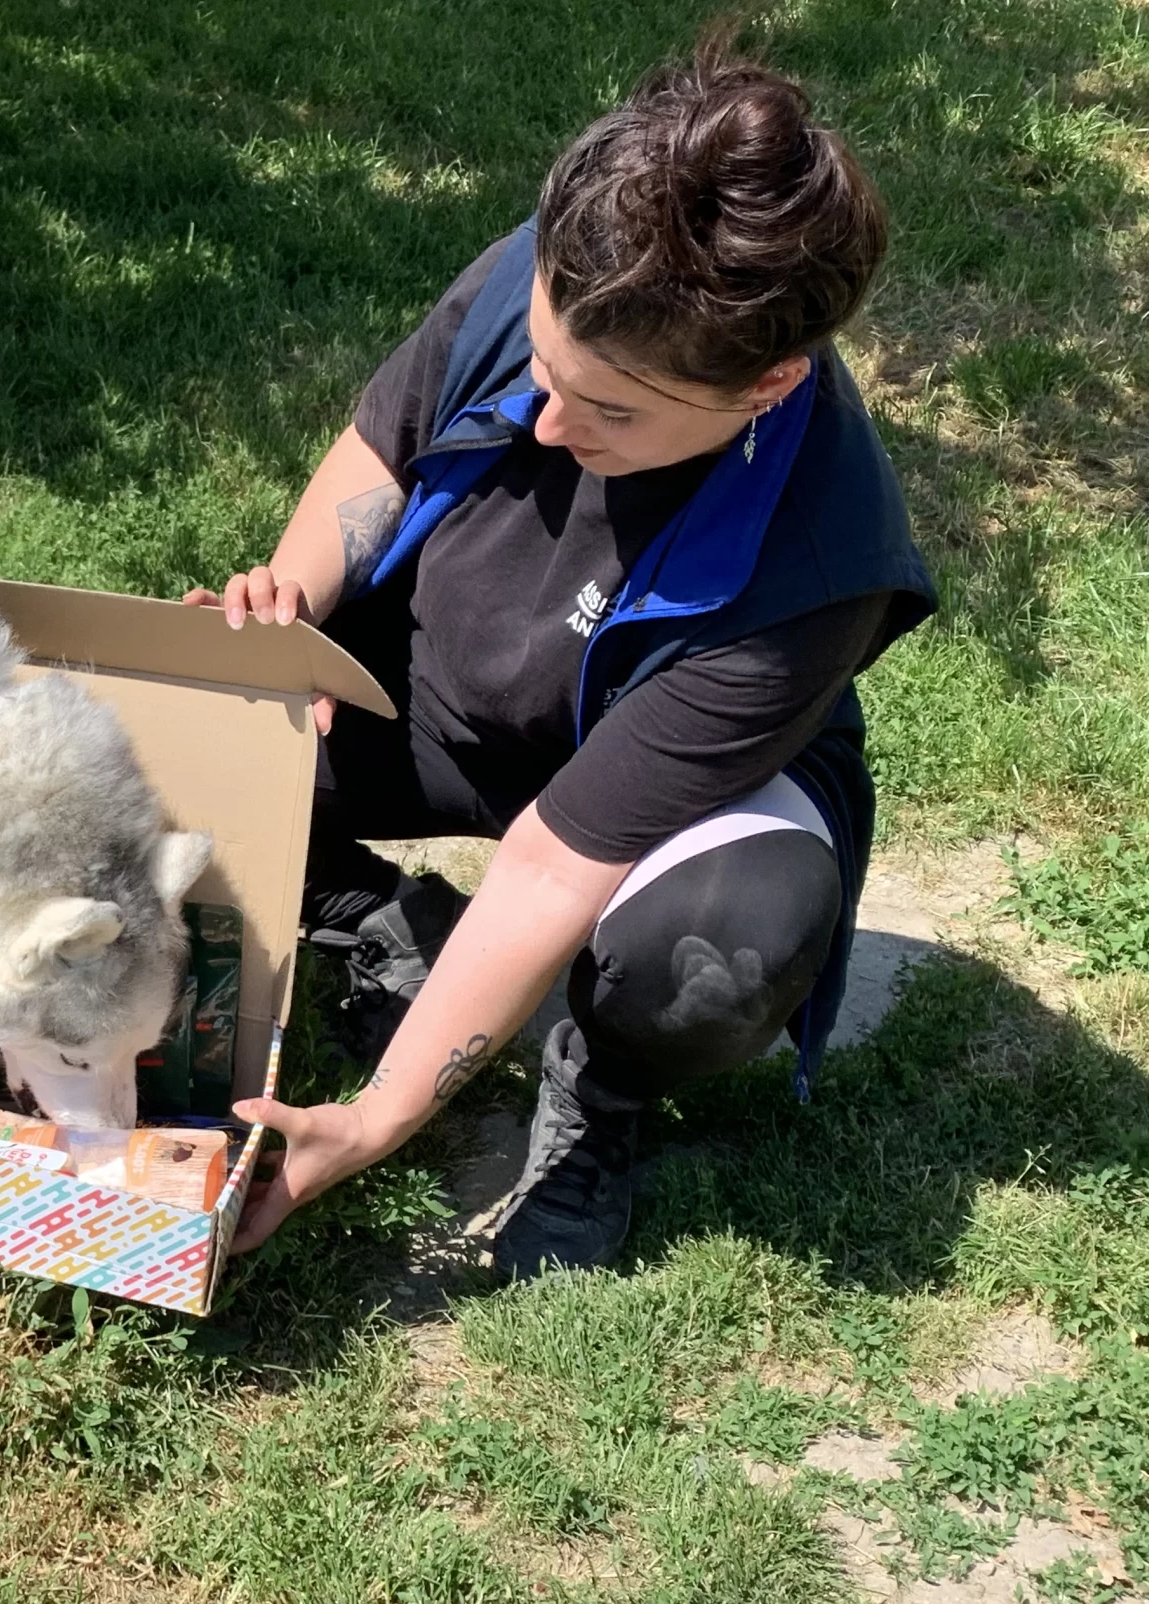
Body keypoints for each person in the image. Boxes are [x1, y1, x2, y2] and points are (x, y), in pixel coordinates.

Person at [195, 42, 935, 1273]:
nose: (548, 423)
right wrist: (297, 613)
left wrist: (377, 1120)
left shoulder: (817, 567)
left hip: (674, 807)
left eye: (612, 410)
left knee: (712, 962)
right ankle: (377, 920)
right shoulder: (556, 266)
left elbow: (549, 867)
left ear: (766, 386)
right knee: (167, 742)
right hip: (440, 695)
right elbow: (382, 451)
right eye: (544, 372)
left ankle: (597, 1096)